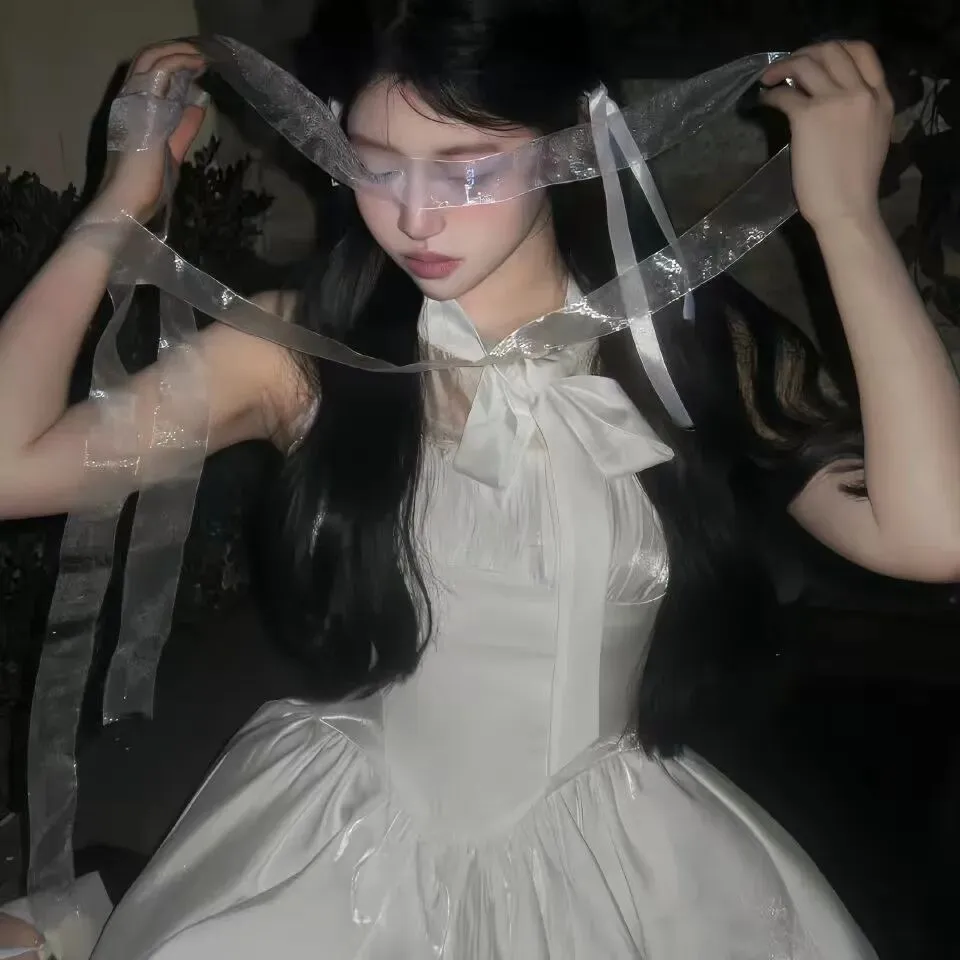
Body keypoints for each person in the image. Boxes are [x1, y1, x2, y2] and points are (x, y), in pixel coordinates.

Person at [1, 0, 958, 956]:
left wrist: (847, 221)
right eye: (376, 164)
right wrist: (118, 205)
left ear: (573, 142)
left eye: (467, 168)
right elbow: (15, 467)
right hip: (349, 855)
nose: (415, 217)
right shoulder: (304, 348)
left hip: (621, 868)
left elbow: (935, 535)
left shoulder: (675, 342)